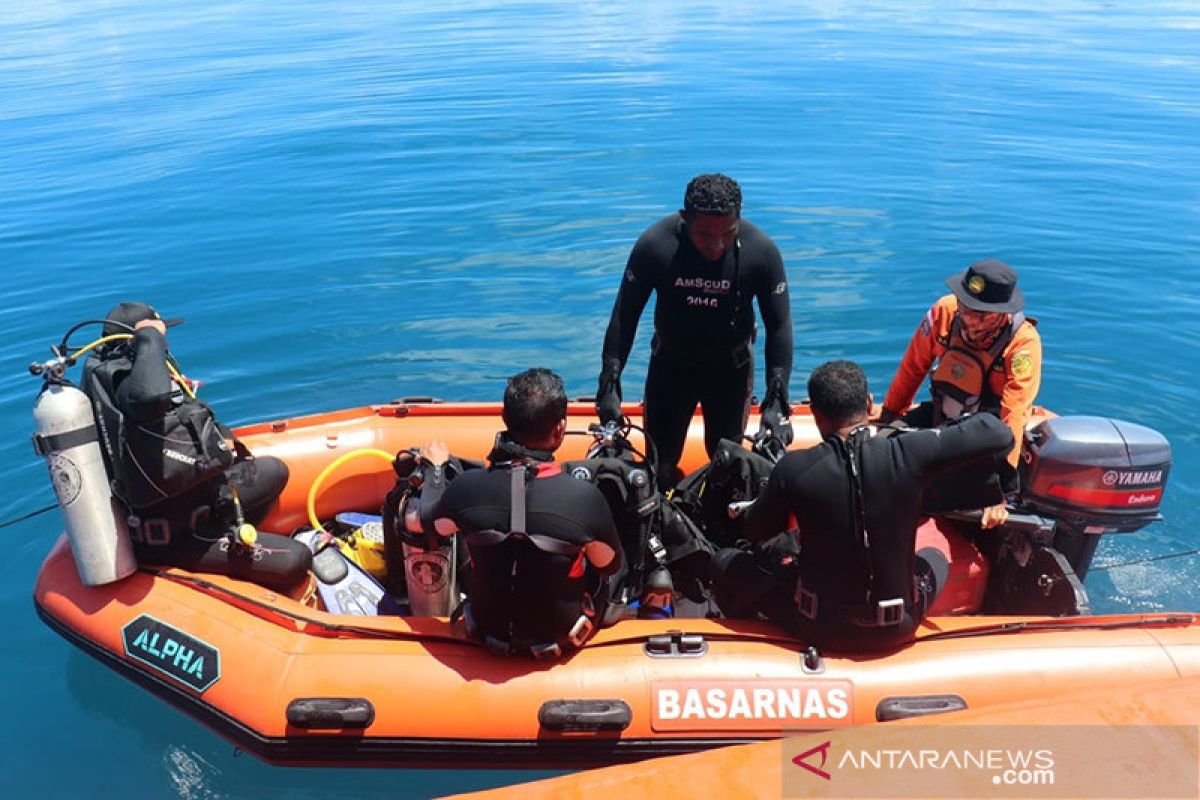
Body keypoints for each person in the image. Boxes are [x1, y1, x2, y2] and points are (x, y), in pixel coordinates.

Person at [711, 360, 1013, 653]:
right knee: (934, 557)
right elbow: (997, 432)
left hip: (818, 627)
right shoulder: (911, 453)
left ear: (815, 415)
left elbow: (756, 531)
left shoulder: (794, 469)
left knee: (726, 560)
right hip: (899, 625)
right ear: (869, 405)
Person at [82, 302, 311, 592]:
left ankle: (229, 533)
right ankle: (219, 556)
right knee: (297, 558)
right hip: (176, 536)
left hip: (202, 499)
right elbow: (150, 398)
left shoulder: (130, 377)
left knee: (275, 471)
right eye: (160, 336)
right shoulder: (129, 388)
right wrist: (150, 338)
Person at [596, 173, 794, 486]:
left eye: (728, 233)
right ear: (685, 219)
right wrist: (610, 383)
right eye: (704, 234)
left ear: (739, 219)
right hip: (672, 368)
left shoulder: (762, 252)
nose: (716, 245)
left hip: (731, 372)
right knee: (659, 466)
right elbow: (624, 315)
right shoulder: (655, 246)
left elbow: (779, 327)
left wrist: (777, 399)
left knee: (726, 467)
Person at [421, 368, 623, 659]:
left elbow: (427, 523)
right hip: (559, 636)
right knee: (612, 553)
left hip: (488, 629)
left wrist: (436, 471)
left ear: (504, 420)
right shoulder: (584, 498)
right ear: (561, 428)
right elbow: (608, 566)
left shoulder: (466, 489)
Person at [879, 259, 1042, 527]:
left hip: (983, 438)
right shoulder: (943, 312)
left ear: (1004, 314)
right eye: (966, 309)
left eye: (981, 316)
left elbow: (1015, 412)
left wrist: (999, 489)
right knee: (878, 450)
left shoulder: (1023, 344)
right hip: (940, 417)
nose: (970, 321)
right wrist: (889, 414)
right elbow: (912, 367)